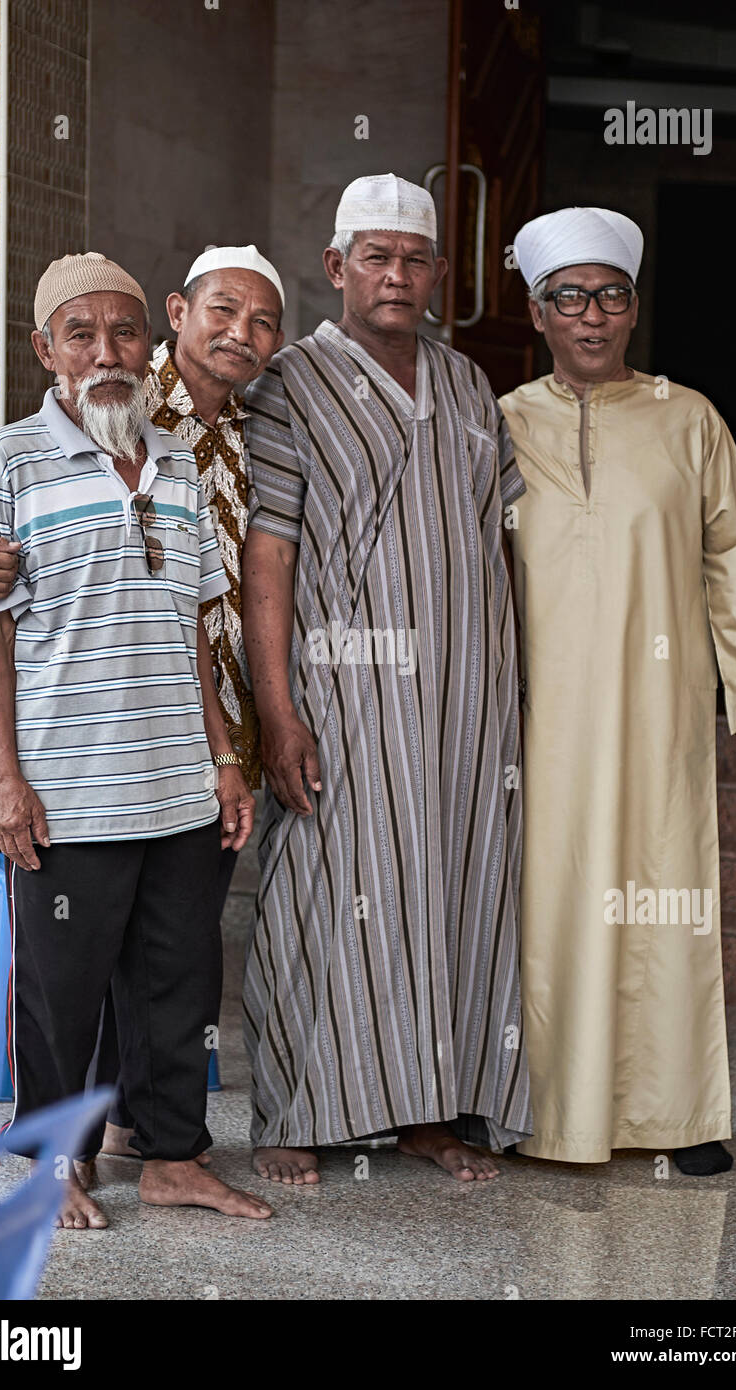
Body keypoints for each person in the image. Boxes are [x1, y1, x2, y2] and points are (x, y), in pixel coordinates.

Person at [0, 245, 286, 1160]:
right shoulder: (9, 458)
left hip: (176, 783)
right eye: (81, 334)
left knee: (179, 978)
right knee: (63, 988)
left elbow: (193, 633)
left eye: (122, 333)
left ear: (149, 344)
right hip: (69, 788)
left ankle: (174, 1159)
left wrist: (220, 764)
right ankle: (57, 1160)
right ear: (44, 349)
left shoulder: (177, 465)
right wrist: (6, 783)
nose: (106, 352)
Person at [241, 173, 531, 1186]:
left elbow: (500, 543)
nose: (395, 276)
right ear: (336, 268)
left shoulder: (464, 386)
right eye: (375, 256)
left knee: (448, 892)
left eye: (413, 259)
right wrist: (276, 711)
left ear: (440, 274)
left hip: (464, 698)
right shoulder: (288, 385)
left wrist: (516, 689)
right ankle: (296, 1105)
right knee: (323, 888)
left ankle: (425, 1110)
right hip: (344, 693)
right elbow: (265, 557)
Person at [499, 206, 736, 1175]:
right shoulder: (498, 422)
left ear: (633, 310)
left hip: (661, 712)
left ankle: (676, 1116)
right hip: (539, 718)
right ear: (537, 313)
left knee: (665, 895)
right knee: (545, 905)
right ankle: (541, 1115)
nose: (591, 316)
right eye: (568, 298)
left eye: (610, 296)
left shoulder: (689, 417)